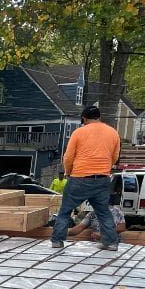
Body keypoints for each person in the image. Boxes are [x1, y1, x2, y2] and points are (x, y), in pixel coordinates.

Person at [50, 105, 121, 251]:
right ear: (99, 117)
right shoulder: (113, 133)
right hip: (102, 179)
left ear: (84, 118)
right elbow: (114, 157)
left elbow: (68, 156)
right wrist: (105, 168)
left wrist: (68, 172)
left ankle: (57, 240)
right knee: (103, 212)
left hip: (79, 177)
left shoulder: (79, 132)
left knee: (65, 211)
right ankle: (111, 243)